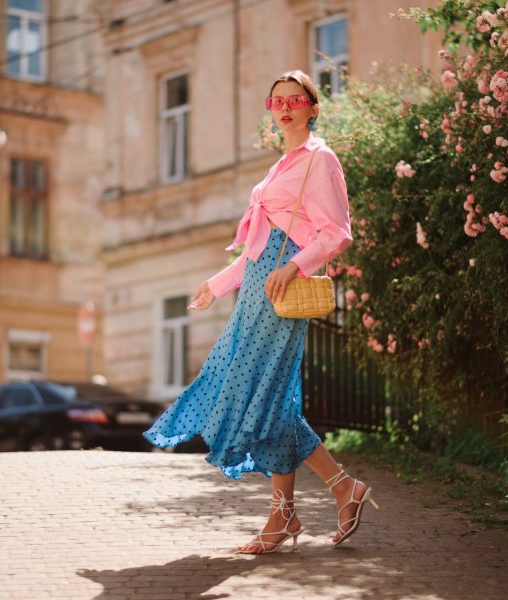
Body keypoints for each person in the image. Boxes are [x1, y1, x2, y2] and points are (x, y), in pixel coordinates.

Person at [143, 70, 379, 554]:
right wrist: (217, 283)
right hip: (256, 291)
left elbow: (336, 234)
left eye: (297, 99)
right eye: (277, 100)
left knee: (258, 394)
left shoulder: (321, 160)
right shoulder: (280, 167)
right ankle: (305, 505)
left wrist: (294, 266)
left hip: (281, 293)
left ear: (313, 107)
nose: (286, 107)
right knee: (274, 399)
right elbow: (254, 250)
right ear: (271, 109)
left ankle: (321, 497)